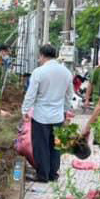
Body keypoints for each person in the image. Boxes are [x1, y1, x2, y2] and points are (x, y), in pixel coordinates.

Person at [21, 44, 74, 183]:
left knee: (41, 145)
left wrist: (25, 110)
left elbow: (31, 94)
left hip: (41, 116)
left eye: (39, 57)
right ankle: (53, 174)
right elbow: (69, 95)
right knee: (55, 145)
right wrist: (66, 111)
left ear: (42, 55)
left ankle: (42, 175)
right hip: (58, 115)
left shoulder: (39, 72)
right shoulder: (66, 72)